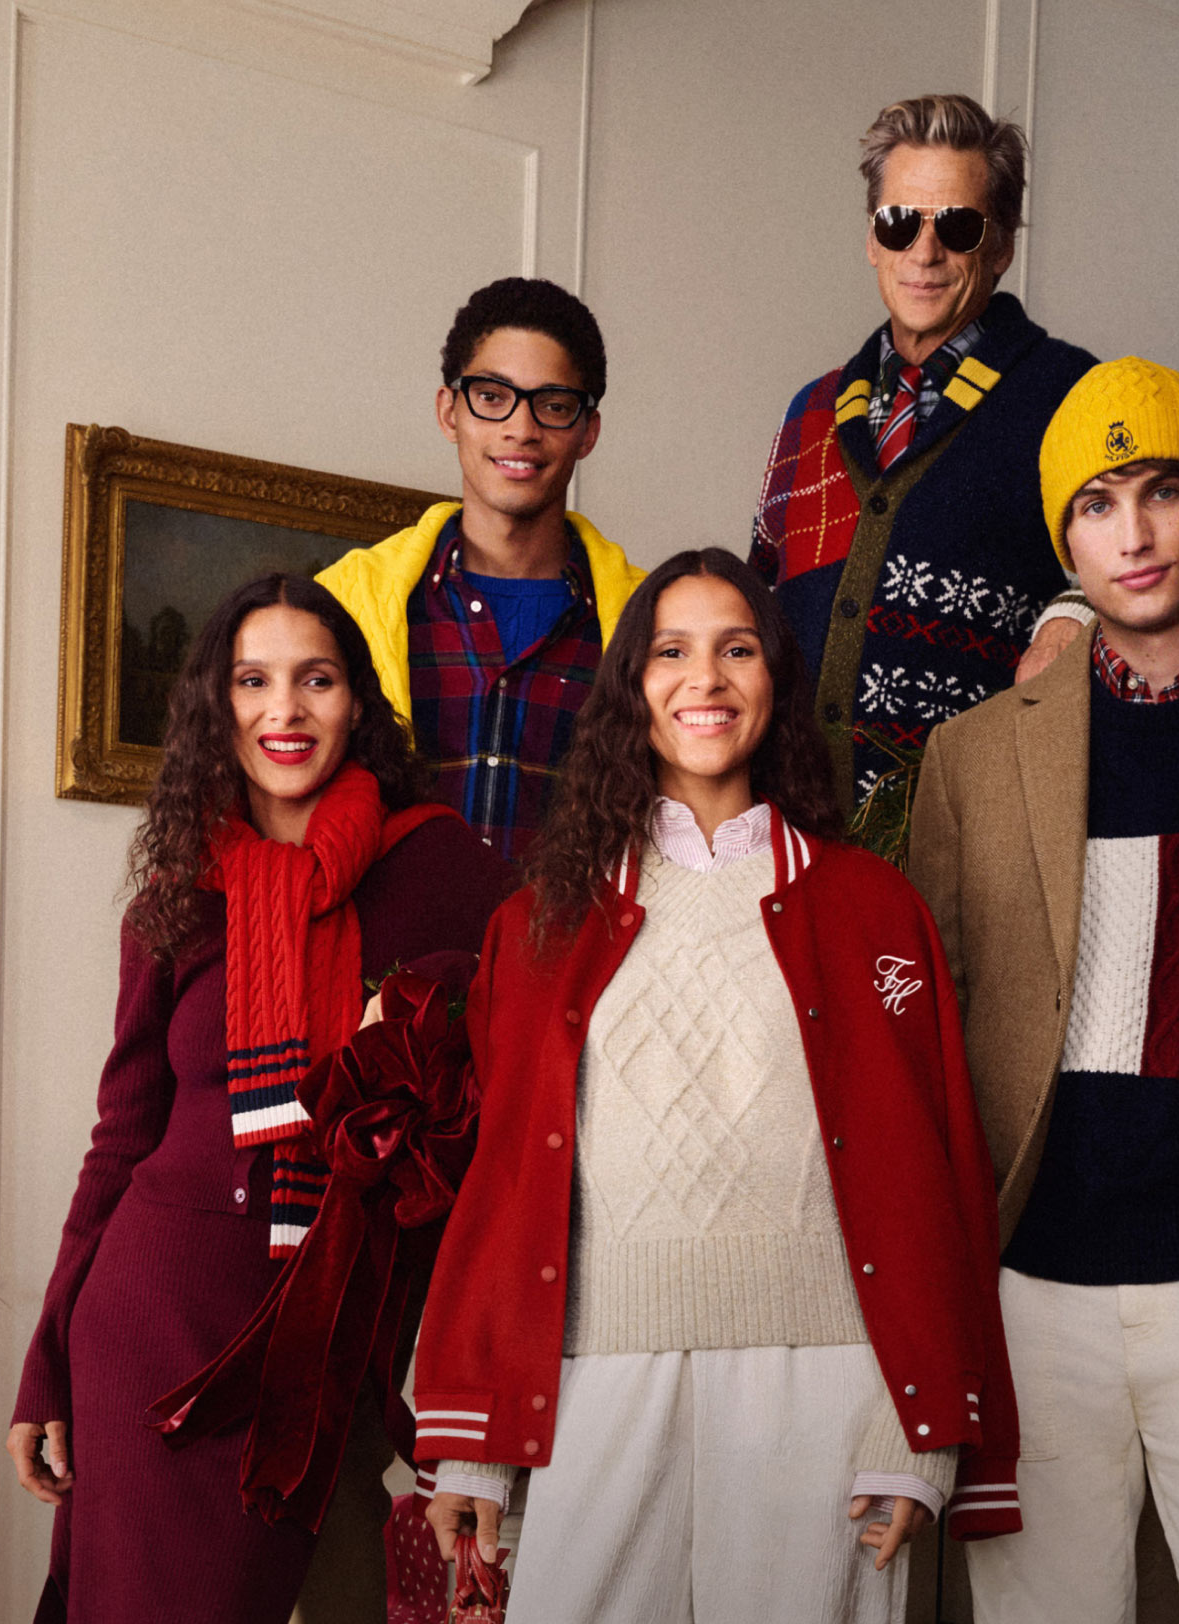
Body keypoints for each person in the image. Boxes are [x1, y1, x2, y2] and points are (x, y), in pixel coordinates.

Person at [413, 548, 1019, 1622]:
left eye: (737, 649)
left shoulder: (875, 907)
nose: (706, 679)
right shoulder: (538, 922)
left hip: (826, 1381)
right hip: (591, 1379)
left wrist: (915, 1432)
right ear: (631, 690)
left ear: (775, 680)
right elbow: (503, 1185)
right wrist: (476, 1447)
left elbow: (934, 1171)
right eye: (671, 652)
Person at [907, 358, 1179, 1623]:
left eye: (1162, 490)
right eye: (1097, 504)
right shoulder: (975, 755)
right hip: (1025, 1294)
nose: (1135, 532)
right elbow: (928, 1022)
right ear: (1067, 538)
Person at [7, 575, 510, 1623]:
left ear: (356, 702)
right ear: (217, 707)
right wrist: (45, 1360)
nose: (283, 710)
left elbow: (506, 1107)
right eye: (253, 680)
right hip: (155, 1320)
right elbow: (123, 1134)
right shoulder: (177, 894)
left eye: (314, 679)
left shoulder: (444, 869)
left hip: (331, 1328)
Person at [749, 93, 1100, 823]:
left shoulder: (1075, 395)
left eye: (959, 227)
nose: (924, 252)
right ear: (872, 238)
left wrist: (1076, 612)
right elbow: (754, 603)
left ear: (1001, 246)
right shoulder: (809, 410)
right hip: (789, 835)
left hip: (970, 829)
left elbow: (1134, 571)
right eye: (899, 222)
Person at [319, 276, 647, 857]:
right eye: (492, 397)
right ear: (449, 412)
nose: (521, 429)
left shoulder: (648, 624)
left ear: (587, 432)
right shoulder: (347, 602)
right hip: (389, 949)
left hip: (577, 948)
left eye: (553, 404)